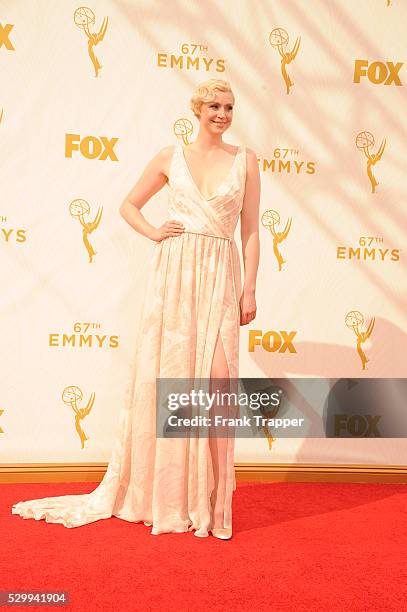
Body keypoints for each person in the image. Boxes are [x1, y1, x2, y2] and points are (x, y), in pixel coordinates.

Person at [11, 78, 260, 540]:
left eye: (228, 106)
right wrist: (153, 232)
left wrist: (249, 289)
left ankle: (217, 509)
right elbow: (128, 205)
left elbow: (250, 232)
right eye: (213, 105)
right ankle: (170, 499)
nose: (222, 114)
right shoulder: (170, 157)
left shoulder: (246, 162)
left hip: (219, 280)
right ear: (196, 109)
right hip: (173, 277)